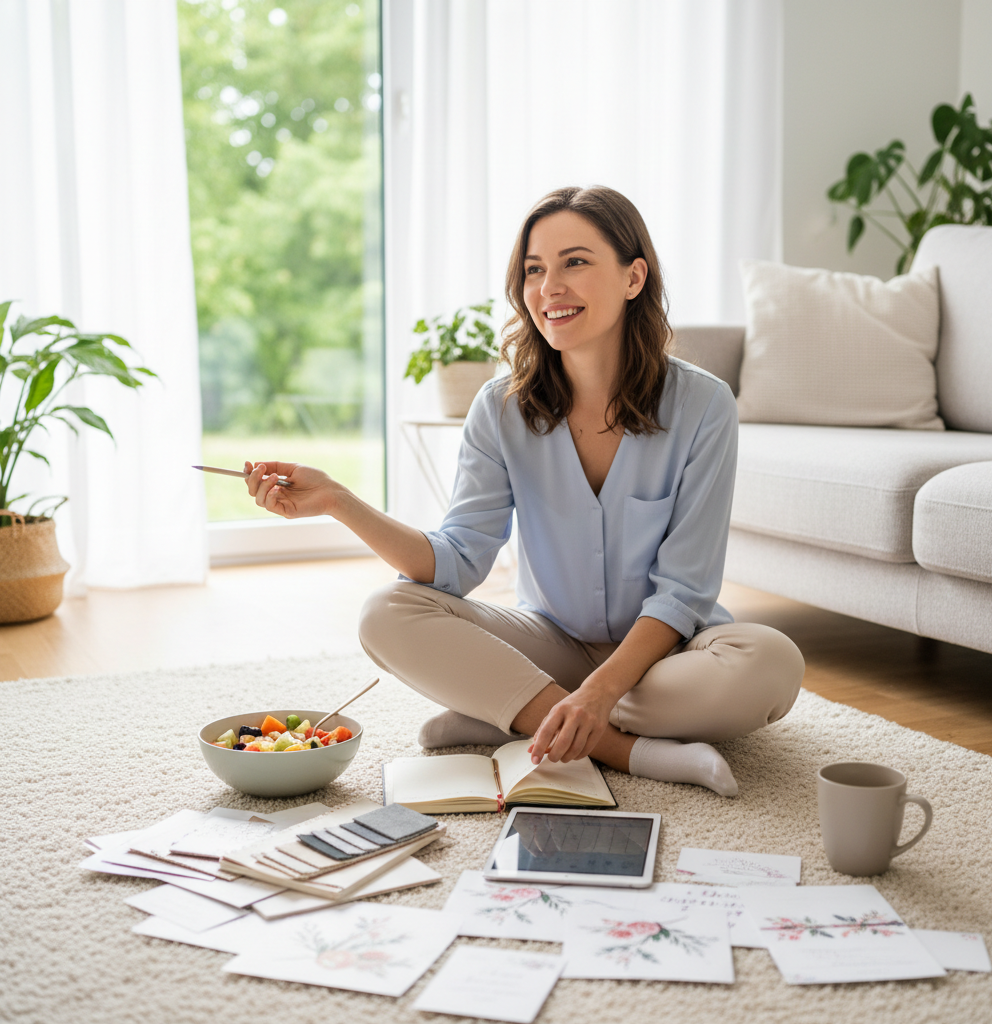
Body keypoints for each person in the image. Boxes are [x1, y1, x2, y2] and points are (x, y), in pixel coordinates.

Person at [245, 185, 804, 797]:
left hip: (668, 657)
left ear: (633, 277)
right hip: (553, 644)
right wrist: (336, 502)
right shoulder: (500, 407)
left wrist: (598, 692)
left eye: (576, 262)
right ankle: (628, 750)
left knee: (772, 665)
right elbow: (455, 562)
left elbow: (685, 592)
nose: (549, 287)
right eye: (534, 270)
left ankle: (511, 712)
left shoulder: (704, 405)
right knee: (386, 612)